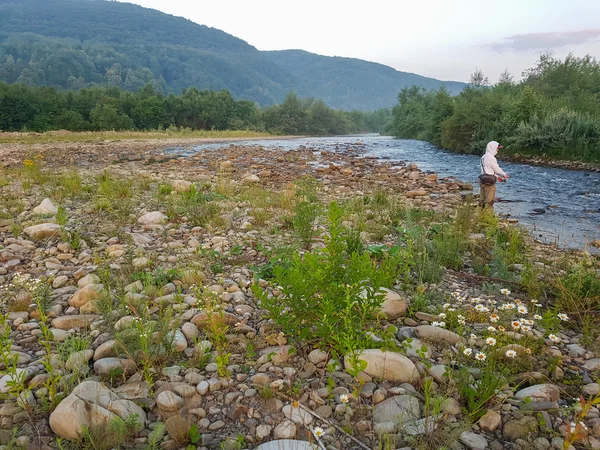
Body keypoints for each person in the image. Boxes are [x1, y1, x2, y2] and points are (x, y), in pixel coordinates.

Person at [478, 141, 509, 209]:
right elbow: (496, 169)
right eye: (497, 148)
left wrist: (497, 177)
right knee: (489, 201)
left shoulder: (483, 157)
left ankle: (479, 213)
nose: (498, 150)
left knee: (482, 199)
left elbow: (486, 170)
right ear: (493, 148)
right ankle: (488, 215)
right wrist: (504, 175)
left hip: (482, 180)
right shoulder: (491, 157)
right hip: (489, 182)